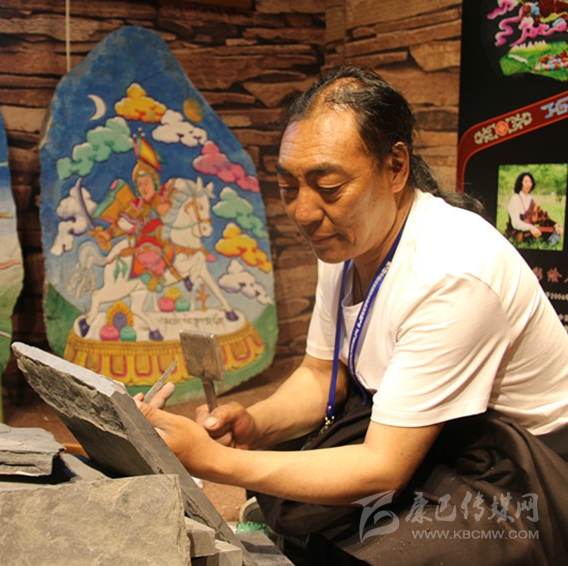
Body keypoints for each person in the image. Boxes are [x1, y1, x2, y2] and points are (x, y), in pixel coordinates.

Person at [139, 66, 568, 563]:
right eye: (288, 185)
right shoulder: (347, 240)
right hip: (423, 425)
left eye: (328, 186)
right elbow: (323, 373)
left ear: (396, 168)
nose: (303, 212)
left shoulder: (454, 272)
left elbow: (382, 466)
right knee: (291, 477)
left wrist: (214, 461)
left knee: (391, 547)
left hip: (516, 459)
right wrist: (255, 423)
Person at [91, 138, 178, 292]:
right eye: (139, 184)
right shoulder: (136, 206)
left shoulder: (164, 198)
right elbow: (121, 225)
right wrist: (108, 234)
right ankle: (151, 278)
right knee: (148, 257)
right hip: (146, 244)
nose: (143, 188)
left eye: (146, 183)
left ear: (154, 183)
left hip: (168, 240)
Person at [504, 171, 563, 245]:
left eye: (530, 182)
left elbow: (541, 216)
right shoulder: (515, 199)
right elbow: (515, 223)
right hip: (517, 233)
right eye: (526, 181)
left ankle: (548, 243)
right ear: (520, 183)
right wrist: (531, 227)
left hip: (530, 231)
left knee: (555, 230)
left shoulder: (530, 199)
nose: (529, 184)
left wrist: (555, 224)